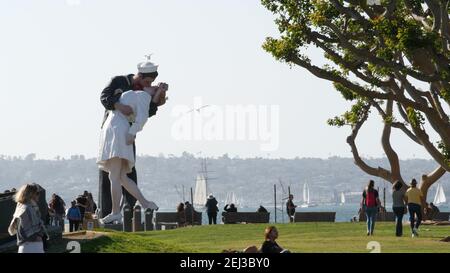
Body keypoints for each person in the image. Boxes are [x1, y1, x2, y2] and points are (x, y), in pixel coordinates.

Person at [97, 57, 167, 224]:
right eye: (149, 83)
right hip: (116, 129)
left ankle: (117, 212)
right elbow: (105, 97)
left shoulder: (143, 95)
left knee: (115, 176)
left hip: (120, 131)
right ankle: (145, 203)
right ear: (140, 76)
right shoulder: (128, 86)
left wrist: (132, 132)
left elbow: (144, 115)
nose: (150, 86)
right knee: (121, 176)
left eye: (153, 85)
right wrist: (120, 107)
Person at [8, 184, 48, 253]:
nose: (39, 195)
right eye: (37, 193)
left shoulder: (21, 207)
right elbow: (32, 231)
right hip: (32, 246)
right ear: (31, 194)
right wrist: (39, 235)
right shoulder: (28, 209)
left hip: (27, 246)